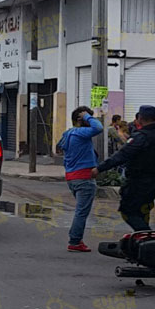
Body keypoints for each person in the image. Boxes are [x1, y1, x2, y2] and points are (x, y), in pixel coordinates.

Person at [92, 105, 155, 231]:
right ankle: (142, 243)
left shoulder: (141, 136)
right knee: (144, 210)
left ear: (140, 118)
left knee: (128, 211)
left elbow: (122, 155)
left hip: (138, 181)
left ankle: (146, 236)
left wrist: (99, 169)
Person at [57, 106, 103, 253]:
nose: (91, 121)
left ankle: (76, 239)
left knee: (80, 210)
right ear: (81, 119)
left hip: (71, 176)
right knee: (81, 211)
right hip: (84, 177)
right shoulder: (81, 132)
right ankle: (75, 240)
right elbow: (98, 128)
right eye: (88, 118)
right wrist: (87, 117)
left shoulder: (67, 134)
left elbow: (59, 147)